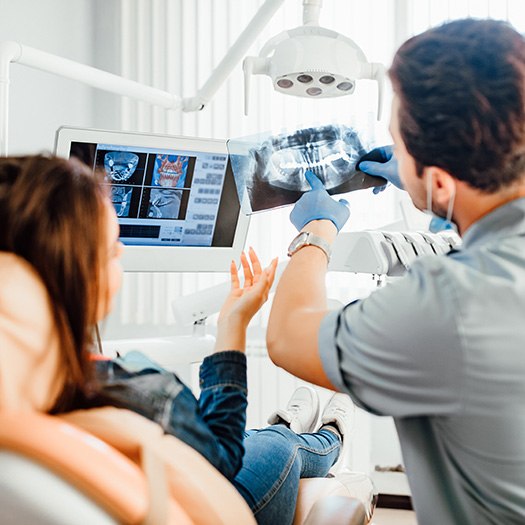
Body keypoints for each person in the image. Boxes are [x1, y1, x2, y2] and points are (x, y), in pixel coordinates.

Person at [0, 154, 355, 525]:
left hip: (173, 471)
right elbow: (224, 455)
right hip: (214, 495)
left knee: (263, 437)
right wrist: (234, 322)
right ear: (73, 272)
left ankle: (291, 423)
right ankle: (330, 436)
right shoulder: (140, 396)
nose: (121, 252)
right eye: (110, 249)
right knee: (280, 445)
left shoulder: (29, 384)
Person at [266, 18, 525, 525]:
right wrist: (425, 187)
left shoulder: (450, 305)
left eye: (398, 143)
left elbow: (287, 337)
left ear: (441, 180)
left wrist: (316, 232)